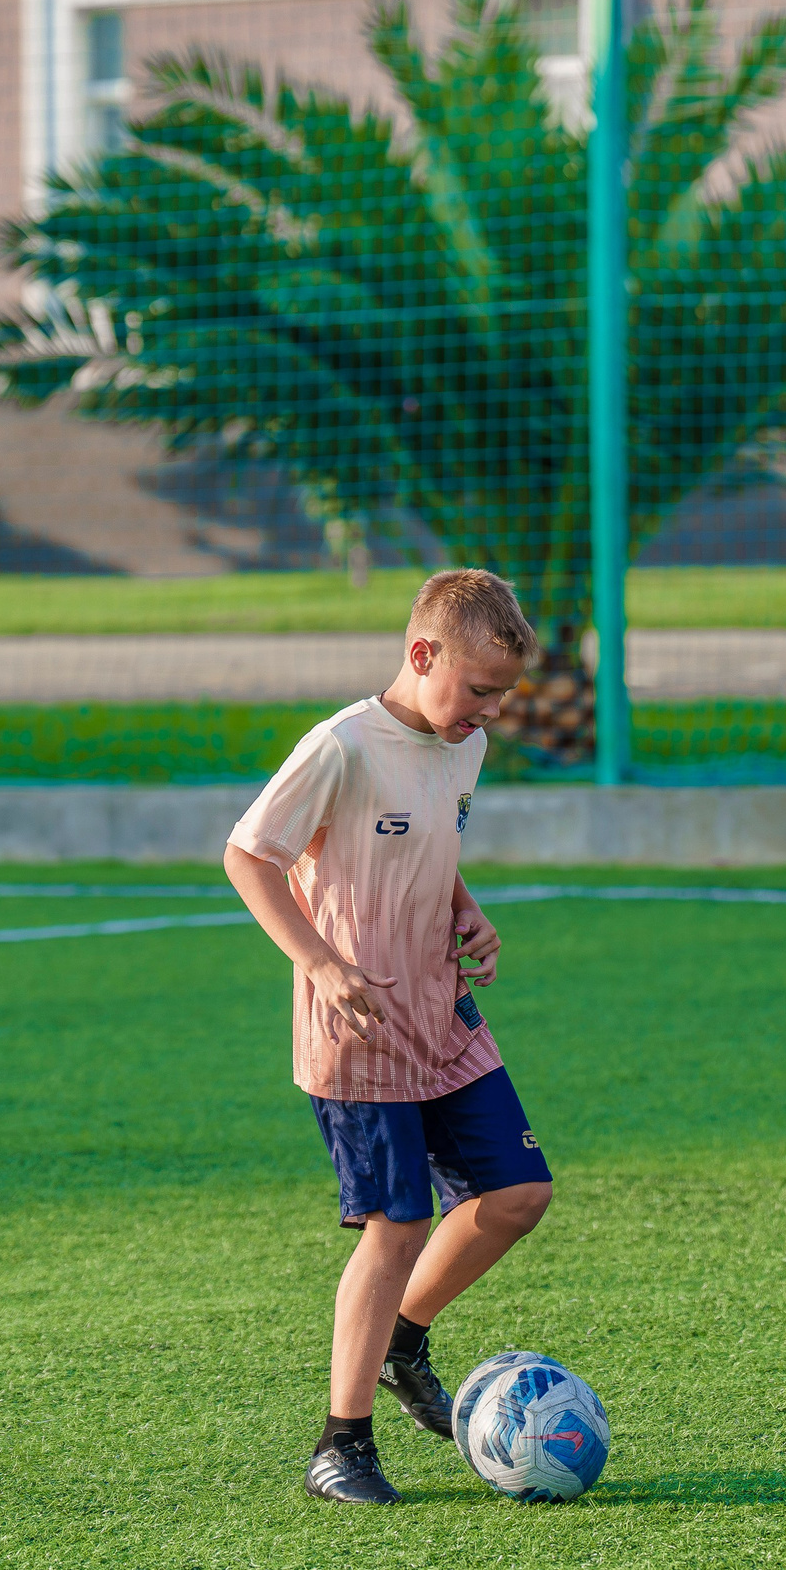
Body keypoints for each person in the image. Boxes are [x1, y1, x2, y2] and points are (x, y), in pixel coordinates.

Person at [224, 567, 554, 1506]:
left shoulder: (464, 746)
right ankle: (342, 1444)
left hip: (441, 1012)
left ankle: (403, 1341)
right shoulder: (341, 746)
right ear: (422, 654)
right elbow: (247, 855)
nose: (490, 712)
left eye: (503, 696)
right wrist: (323, 964)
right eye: (480, 690)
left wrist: (467, 910)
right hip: (359, 1028)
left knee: (519, 1192)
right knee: (399, 1219)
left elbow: (430, 845)